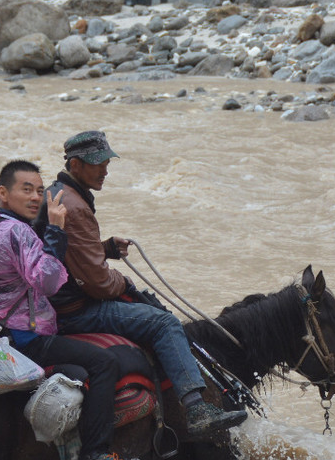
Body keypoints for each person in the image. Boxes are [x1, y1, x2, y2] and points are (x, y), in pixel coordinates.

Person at [37, 130, 246, 439]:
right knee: (165, 324)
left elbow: (73, 253)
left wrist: (105, 248)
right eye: (98, 164)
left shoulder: (59, 193)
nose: (105, 170)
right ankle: (196, 408)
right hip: (77, 310)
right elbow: (97, 283)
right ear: (76, 165)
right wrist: (124, 281)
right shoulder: (76, 206)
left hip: (60, 300)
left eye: (107, 162)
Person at [0, 159, 142, 460]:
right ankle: (95, 455)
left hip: (3, 333)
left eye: (40, 190)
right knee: (104, 364)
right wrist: (55, 229)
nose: (36, 197)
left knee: (78, 371)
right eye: (26, 190)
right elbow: (48, 281)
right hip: (26, 340)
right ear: (3, 193)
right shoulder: (15, 232)